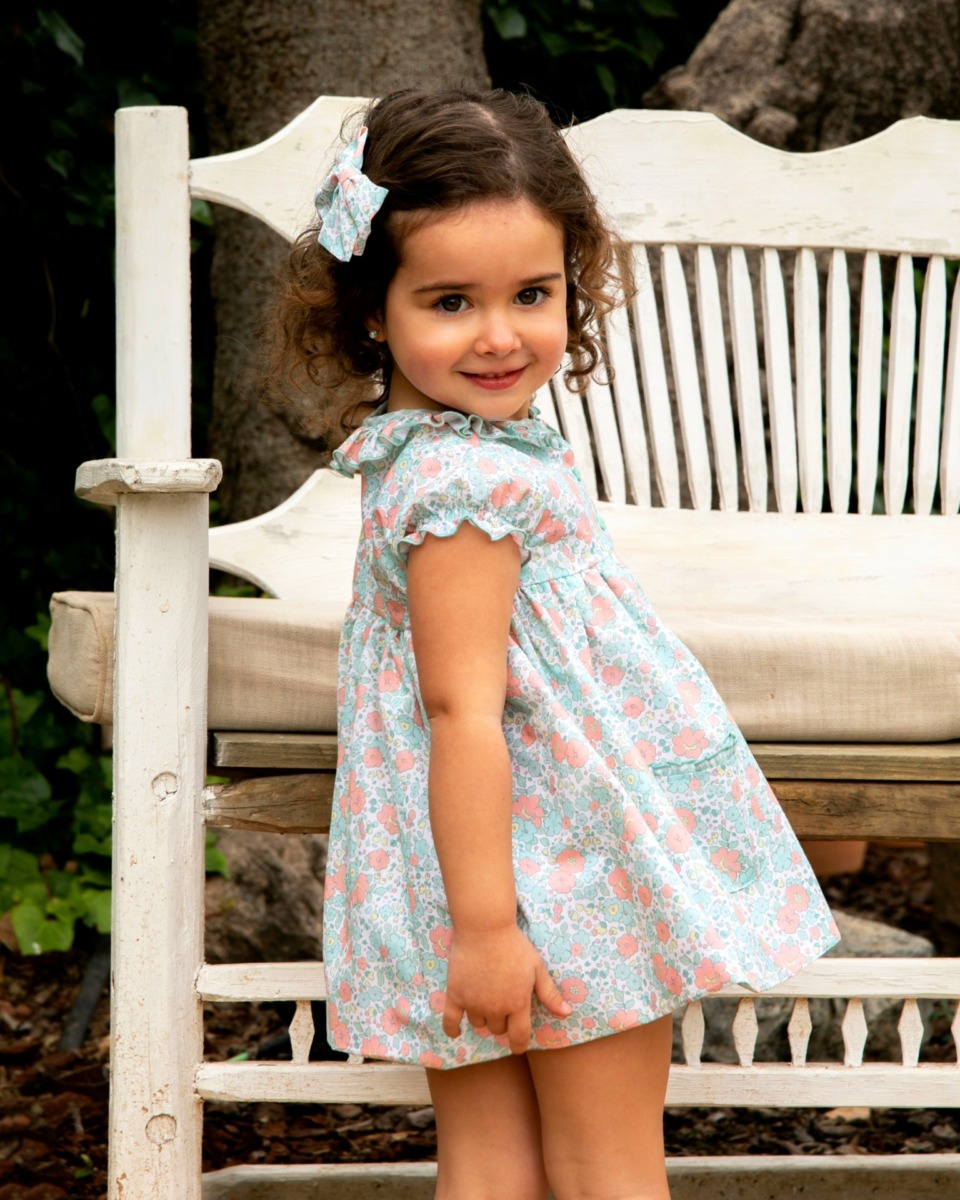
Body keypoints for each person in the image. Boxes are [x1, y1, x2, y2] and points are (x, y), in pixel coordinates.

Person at [265, 86, 840, 1200]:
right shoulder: (468, 487)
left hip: (471, 869)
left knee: (492, 1167)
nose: (499, 335)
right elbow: (460, 710)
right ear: (373, 310)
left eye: (531, 293)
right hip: (561, 869)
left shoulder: (425, 454)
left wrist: (472, 921)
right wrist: (489, 931)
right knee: (605, 1166)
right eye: (450, 301)